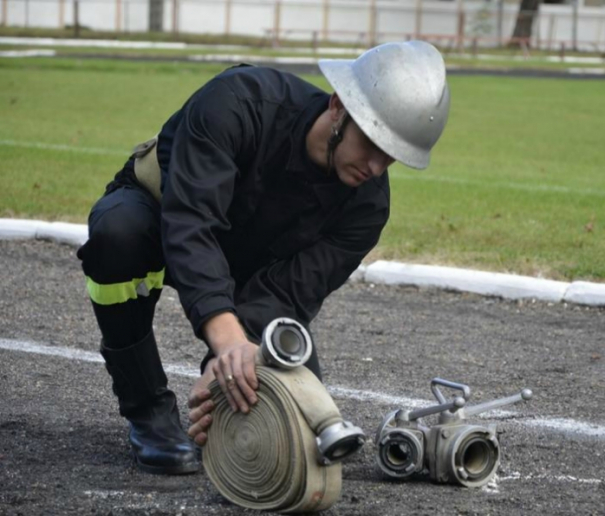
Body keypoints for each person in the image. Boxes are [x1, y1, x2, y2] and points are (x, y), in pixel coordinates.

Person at [76, 40, 450, 475]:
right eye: (372, 142)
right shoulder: (236, 102)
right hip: (164, 218)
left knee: (298, 431)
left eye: (393, 156)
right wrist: (226, 337)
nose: (376, 167)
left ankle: (212, 415)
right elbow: (191, 224)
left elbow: (286, 293)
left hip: (249, 267)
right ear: (337, 108)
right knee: (116, 235)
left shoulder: (367, 209)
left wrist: (230, 370)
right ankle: (147, 413)